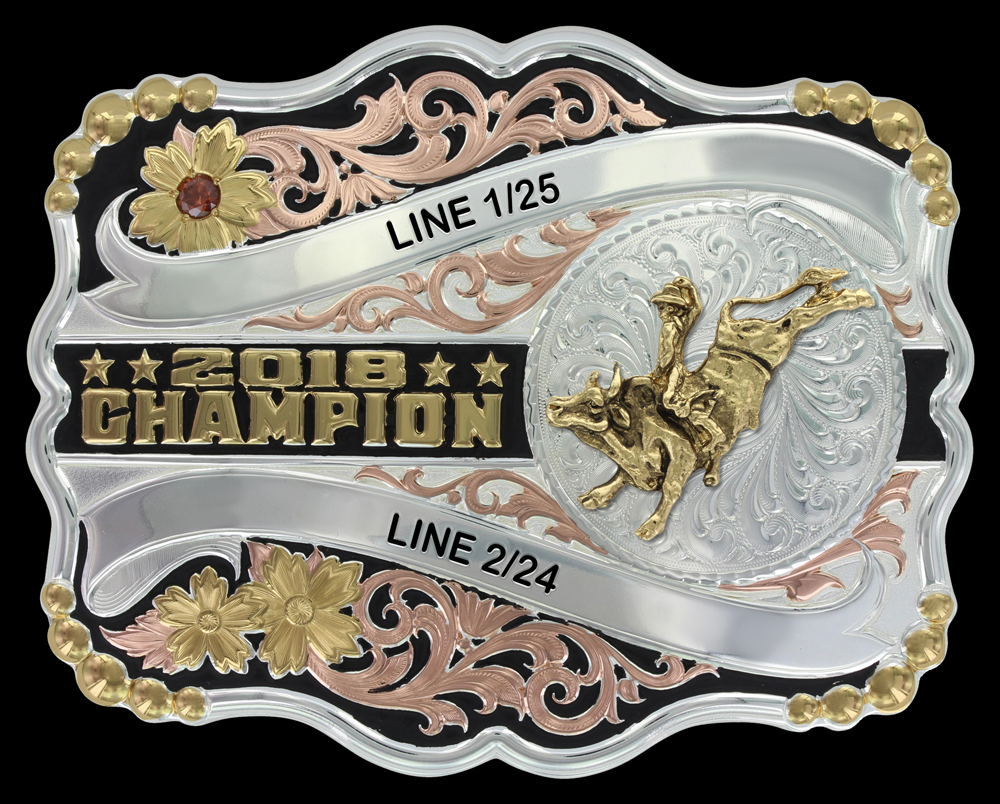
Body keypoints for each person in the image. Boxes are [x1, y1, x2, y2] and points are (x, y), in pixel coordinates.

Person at [649, 278, 725, 485]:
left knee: (669, 401)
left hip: (671, 370)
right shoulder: (681, 323)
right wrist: (690, 288)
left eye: (662, 306)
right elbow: (696, 309)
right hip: (676, 370)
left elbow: (667, 356)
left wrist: (658, 373)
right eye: (659, 306)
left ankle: (708, 430)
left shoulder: (670, 326)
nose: (660, 311)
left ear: (672, 308)